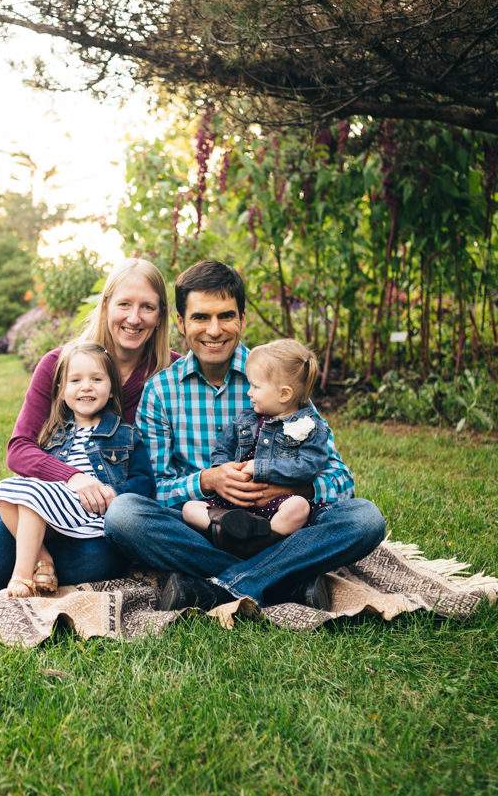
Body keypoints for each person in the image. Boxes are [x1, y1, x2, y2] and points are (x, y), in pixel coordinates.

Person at [103, 260, 386, 611]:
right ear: (180, 322)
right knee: (124, 515)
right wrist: (207, 481)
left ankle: (218, 587)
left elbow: (341, 479)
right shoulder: (160, 391)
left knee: (365, 518)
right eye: (201, 317)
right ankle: (287, 580)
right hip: (207, 524)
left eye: (226, 316)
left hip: (282, 521)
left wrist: (293, 489)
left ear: (243, 319)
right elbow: (153, 487)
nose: (214, 329)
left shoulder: (277, 378)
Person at [0, 258, 180, 590]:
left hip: (98, 517)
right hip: (42, 498)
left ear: (161, 314)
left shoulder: (173, 375)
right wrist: (73, 477)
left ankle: (36, 556)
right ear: (106, 304)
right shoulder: (58, 365)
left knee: (100, 562)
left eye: (147, 307)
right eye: (124, 303)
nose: (134, 317)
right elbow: (19, 450)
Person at [0, 341, 154, 597]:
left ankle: (21, 577)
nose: (86, 386)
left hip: (93, 514)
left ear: (111, 389)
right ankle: (43, 560)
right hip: (54, 510)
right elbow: (34, 476)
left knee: (32, 494)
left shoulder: (125, 435)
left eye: (97, 379)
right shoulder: (54, 433)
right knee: (7, 490)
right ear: (61, 390)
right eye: (75, 380)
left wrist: (111, 492)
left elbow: (144, 483)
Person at [181, 339, 330, 554]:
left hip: (277, 504)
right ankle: (229, 526)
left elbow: (309, 467)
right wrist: (225, 470)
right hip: (234, 503)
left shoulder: (310, 426)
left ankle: (259, 544)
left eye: (255, 387)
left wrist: (261, 468)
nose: (249, 392)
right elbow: (223, 448)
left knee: (299, 508)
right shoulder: (246, 420)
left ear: (284, 394)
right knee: (189, 509)